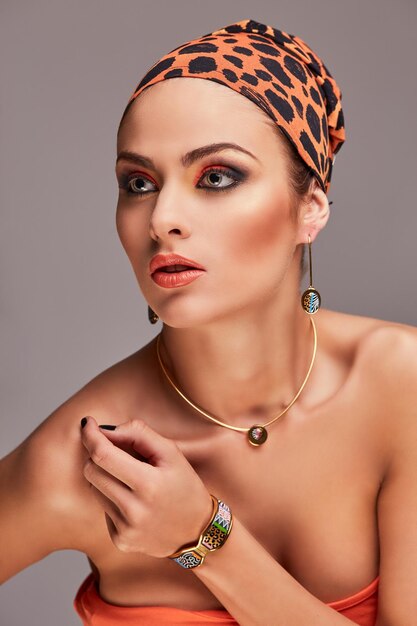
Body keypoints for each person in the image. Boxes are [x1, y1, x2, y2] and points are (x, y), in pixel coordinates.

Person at [1, 17, 416, 626]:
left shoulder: (401, 388)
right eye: (138, 183)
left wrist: (202, 536)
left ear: (311, 208)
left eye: (216, 176)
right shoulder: (84, 460)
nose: (162, 217)